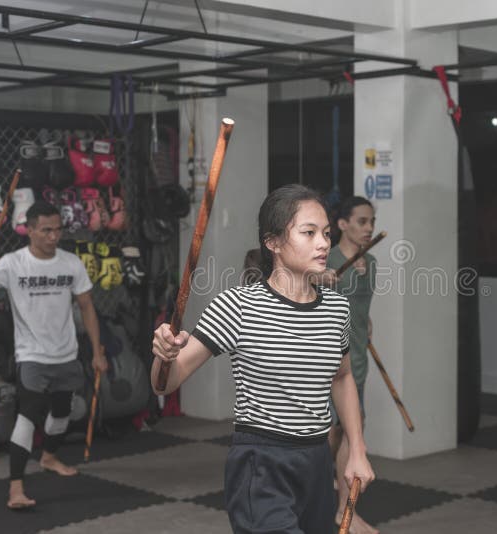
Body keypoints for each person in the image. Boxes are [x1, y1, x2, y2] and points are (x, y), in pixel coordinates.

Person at [151, 184, 375, 533]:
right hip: (262, 462)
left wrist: (357, 448)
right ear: (272, 243)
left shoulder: (336, 308)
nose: (323, 243)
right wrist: (163, 356)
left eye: (327, 233)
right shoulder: (237, 306)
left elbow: (342, 377)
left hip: (317, 460)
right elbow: (167, 383)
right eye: (309, 233)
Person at [0, 201, 108, 510]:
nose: (53, 236)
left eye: (58, 229)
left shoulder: (71, 263)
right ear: (29, 230)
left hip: (66, 353)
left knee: (62, 411)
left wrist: (97, 350)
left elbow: (86, 306)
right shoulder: (12, 263)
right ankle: (15, 488)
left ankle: (49, 456)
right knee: (29, 414)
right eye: (46, 230)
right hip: (31, 354)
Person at [324, 196, 378, 533]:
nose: (369, 228)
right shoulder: (325, 260)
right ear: (342, 224)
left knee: (348, 432)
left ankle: (344, 509)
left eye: (371, 221)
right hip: (325, 359)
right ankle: (333, 505)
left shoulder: (369, 262)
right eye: (361, 221)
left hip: (355, 357)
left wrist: (366, 327)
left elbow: (362, 312)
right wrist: (318, 281)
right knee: (328, 433)